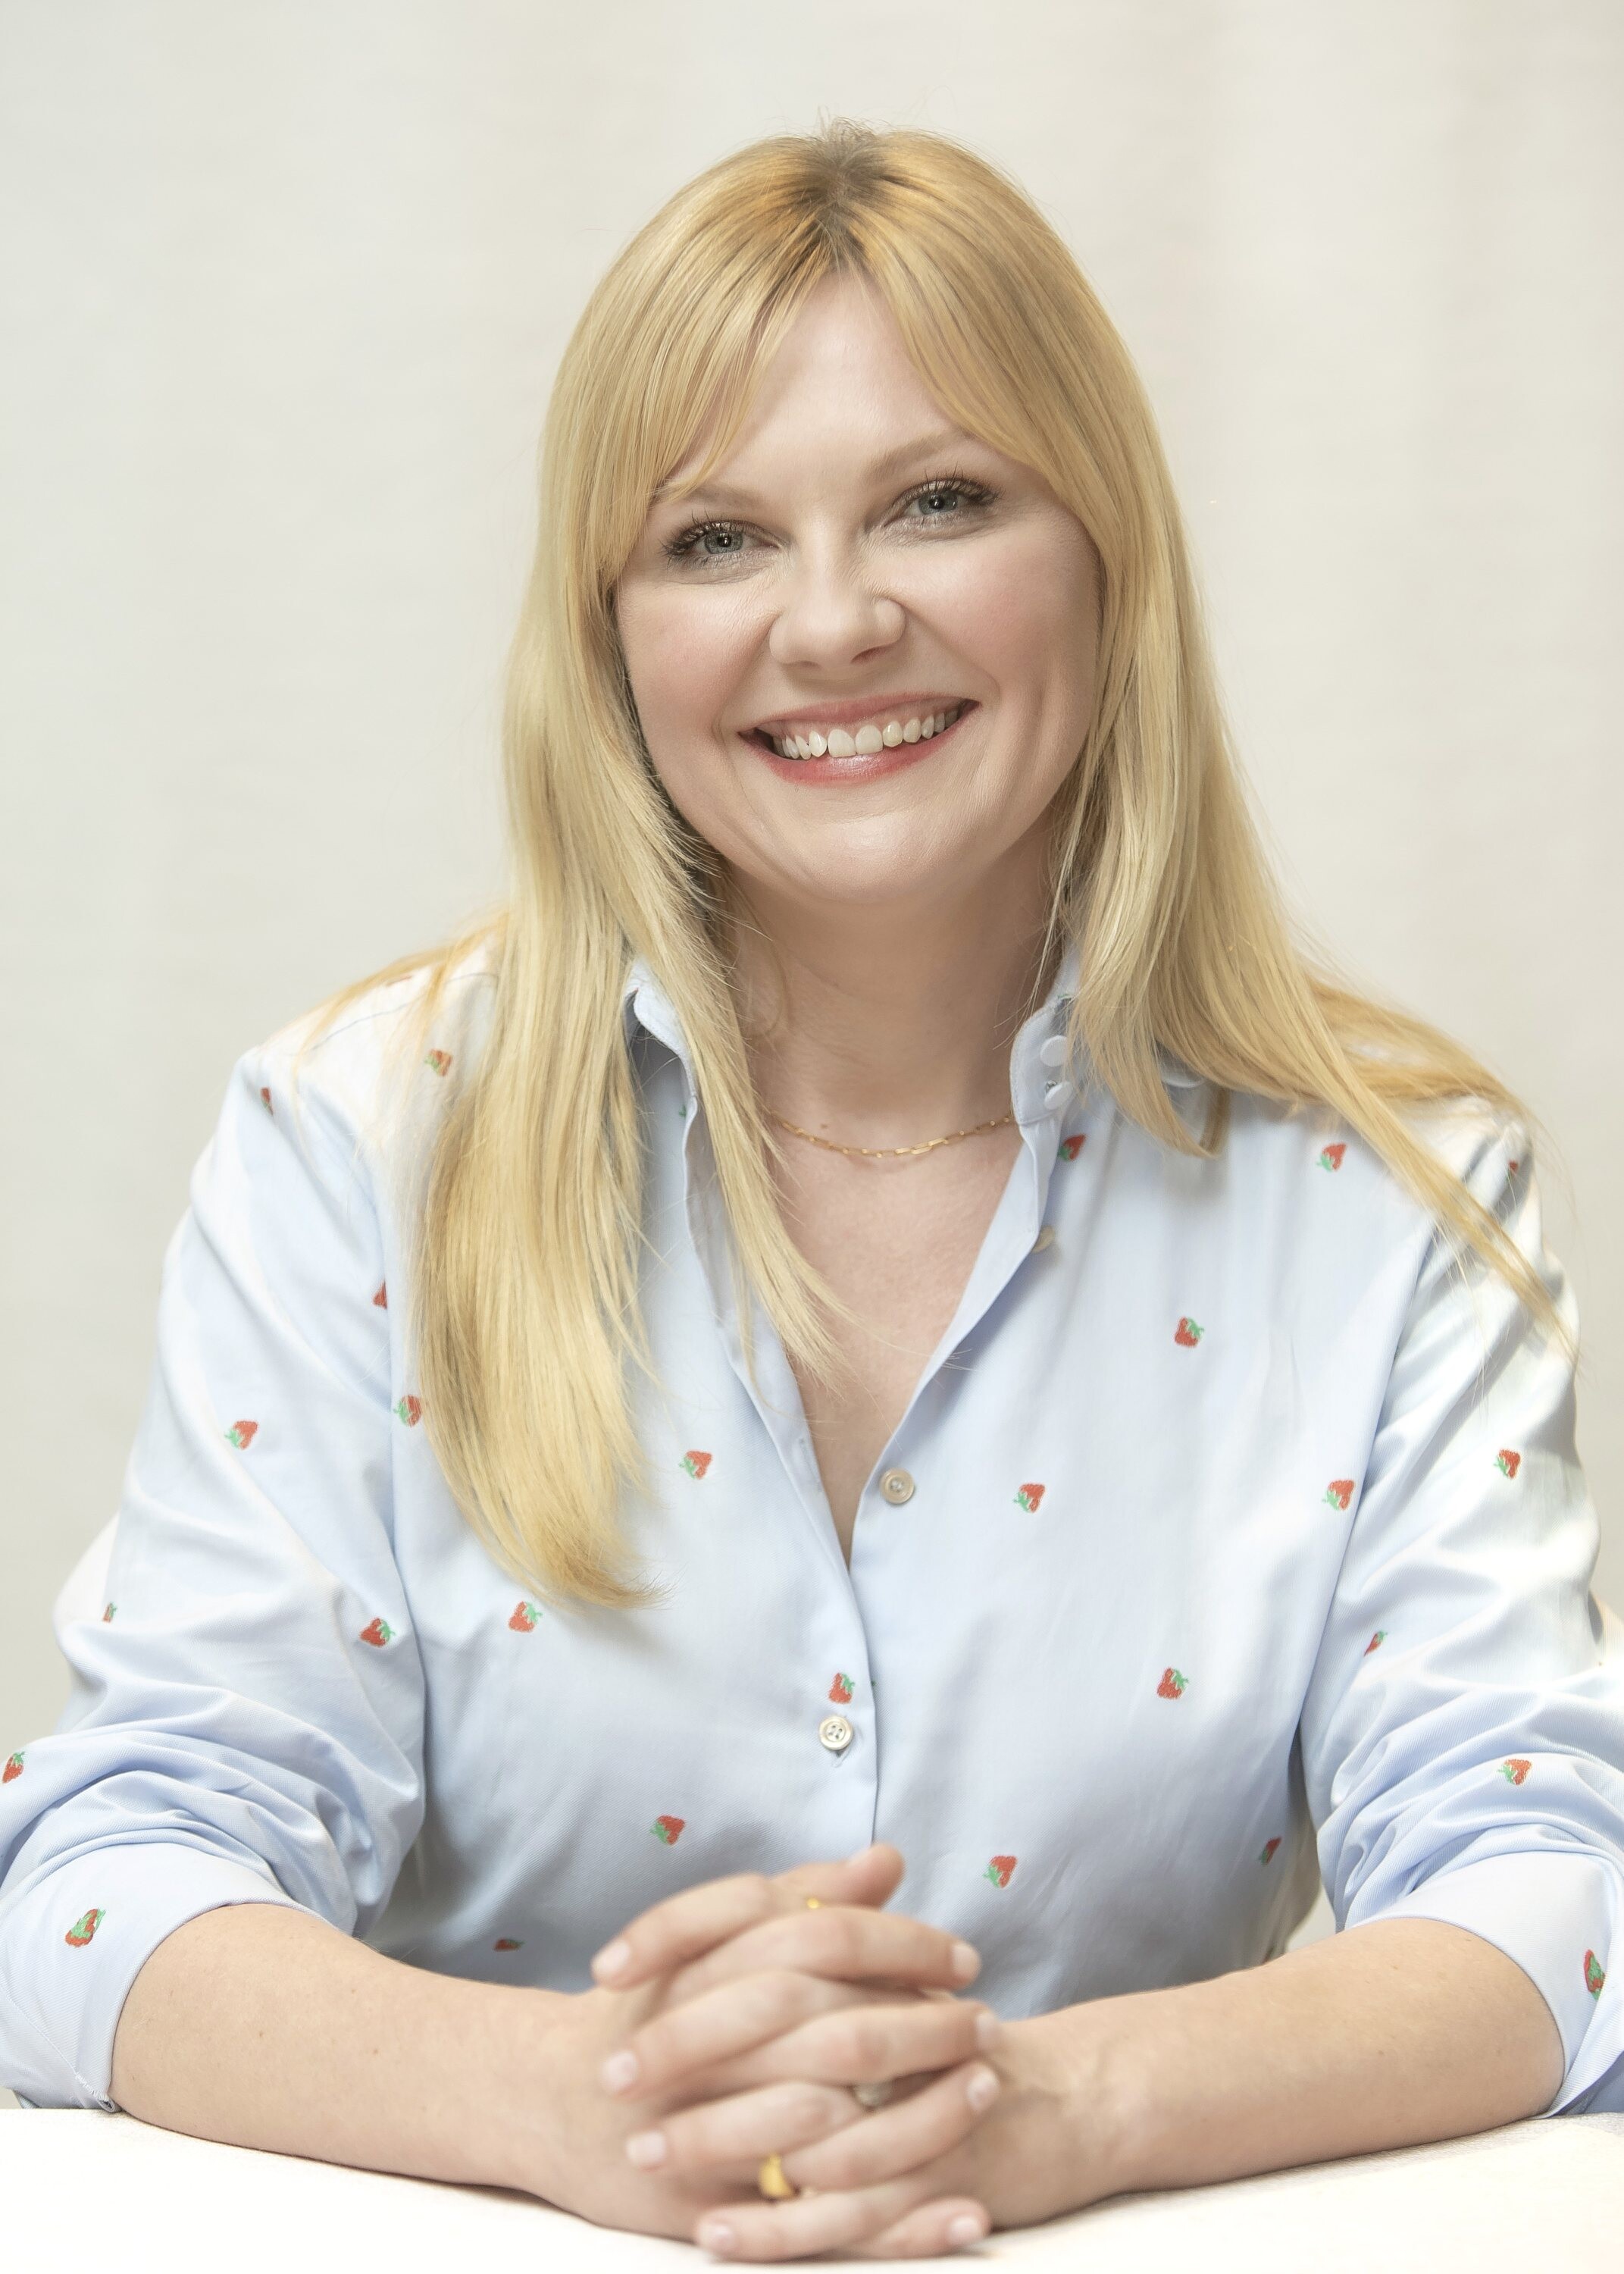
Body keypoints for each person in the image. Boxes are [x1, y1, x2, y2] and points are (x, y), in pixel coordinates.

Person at [2, 118, 1622, 2262]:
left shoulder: (1395, 1194)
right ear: (610, 634)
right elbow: (109, 1881)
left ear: (1106, 552)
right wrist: (577, 2103)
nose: (838, 621)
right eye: (717, 538)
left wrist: (1060, 2107)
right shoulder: (353, 1143)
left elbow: (1552, 1891)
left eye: (940, 501)